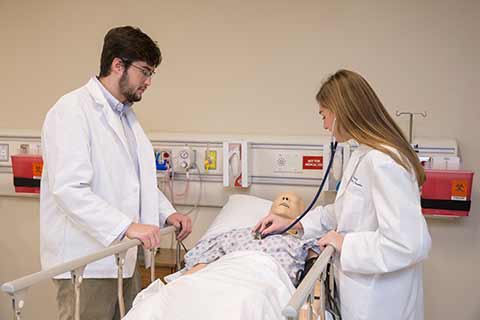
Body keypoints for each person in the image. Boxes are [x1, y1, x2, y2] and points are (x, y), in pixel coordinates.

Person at [40, 26, 192, 320]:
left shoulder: (125, 117)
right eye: (144, 71)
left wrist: (167, 214)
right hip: (86, 262)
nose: (148, 82)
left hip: (124, 257)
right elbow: (69, 189)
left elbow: (136, 184)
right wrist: (126, 226)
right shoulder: (71, 111)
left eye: (151, 74)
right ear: (117, 64)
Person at [254, 70, 432, 320]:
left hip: (382, 303)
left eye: (324, 115)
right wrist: (293, 224)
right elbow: (343, 212)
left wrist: (346, 244)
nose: (325, 125)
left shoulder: (384, 162)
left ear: (340, 112)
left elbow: (408, 243)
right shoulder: (363, 154)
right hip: (361, 295)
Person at [183, 192, 321, 286]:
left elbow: (314, 274)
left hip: (261, 283)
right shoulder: (239, 233)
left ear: (304, 215)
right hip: (223, 275)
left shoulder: (301, 244)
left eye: (294, 201)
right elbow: (205, 260)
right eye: (281, 198)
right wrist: (182, 284)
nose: (285, 199)